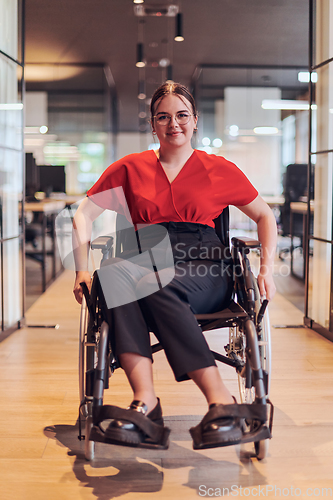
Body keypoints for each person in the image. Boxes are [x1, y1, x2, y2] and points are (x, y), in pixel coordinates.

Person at [73, 81, 277, 450]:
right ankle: (146, 400)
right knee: (115, 278)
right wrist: (81, 270)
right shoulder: (129, 168)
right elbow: (82, 215)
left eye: (182, 115)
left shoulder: (219, 169)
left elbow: (264, 215)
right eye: (163, 117)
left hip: (205, 266)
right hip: (143, 256)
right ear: (153, 124)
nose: (174, 124)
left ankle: (221, 400)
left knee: (153, 281)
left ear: (195, 120)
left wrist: (266, 269)